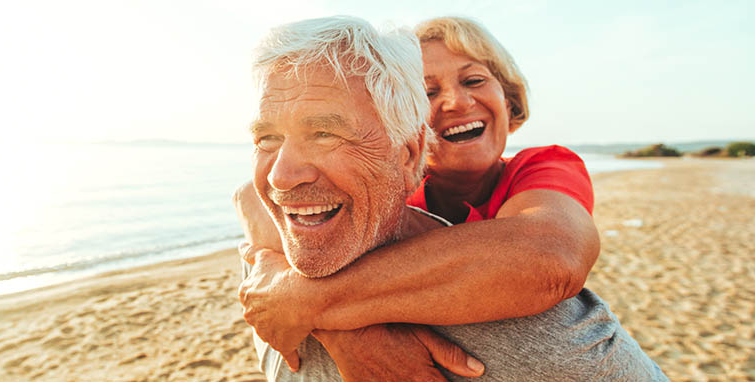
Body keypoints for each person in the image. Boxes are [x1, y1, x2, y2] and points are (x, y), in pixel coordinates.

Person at [236, 15, 668, 381]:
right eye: (428, 92)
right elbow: (249, 196)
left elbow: (550, 255)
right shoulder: (391, 197)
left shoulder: (540, 167)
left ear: (508, 97)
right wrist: (345, 331)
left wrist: (307, 300)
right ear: (407, 132)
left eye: (474, 80)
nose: (457, 102)